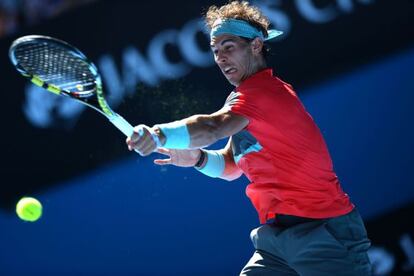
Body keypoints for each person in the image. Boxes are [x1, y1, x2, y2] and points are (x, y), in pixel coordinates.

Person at [126, 1, 372, 275]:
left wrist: (159, 134)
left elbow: (212, 127)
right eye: (215, 51)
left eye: (228, 47)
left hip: (324, 231)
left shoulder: (263, 93)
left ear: (255, 46)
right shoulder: (242, 100)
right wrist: (198, 158)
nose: (220, 58)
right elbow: (232, 166)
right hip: (276, 242)